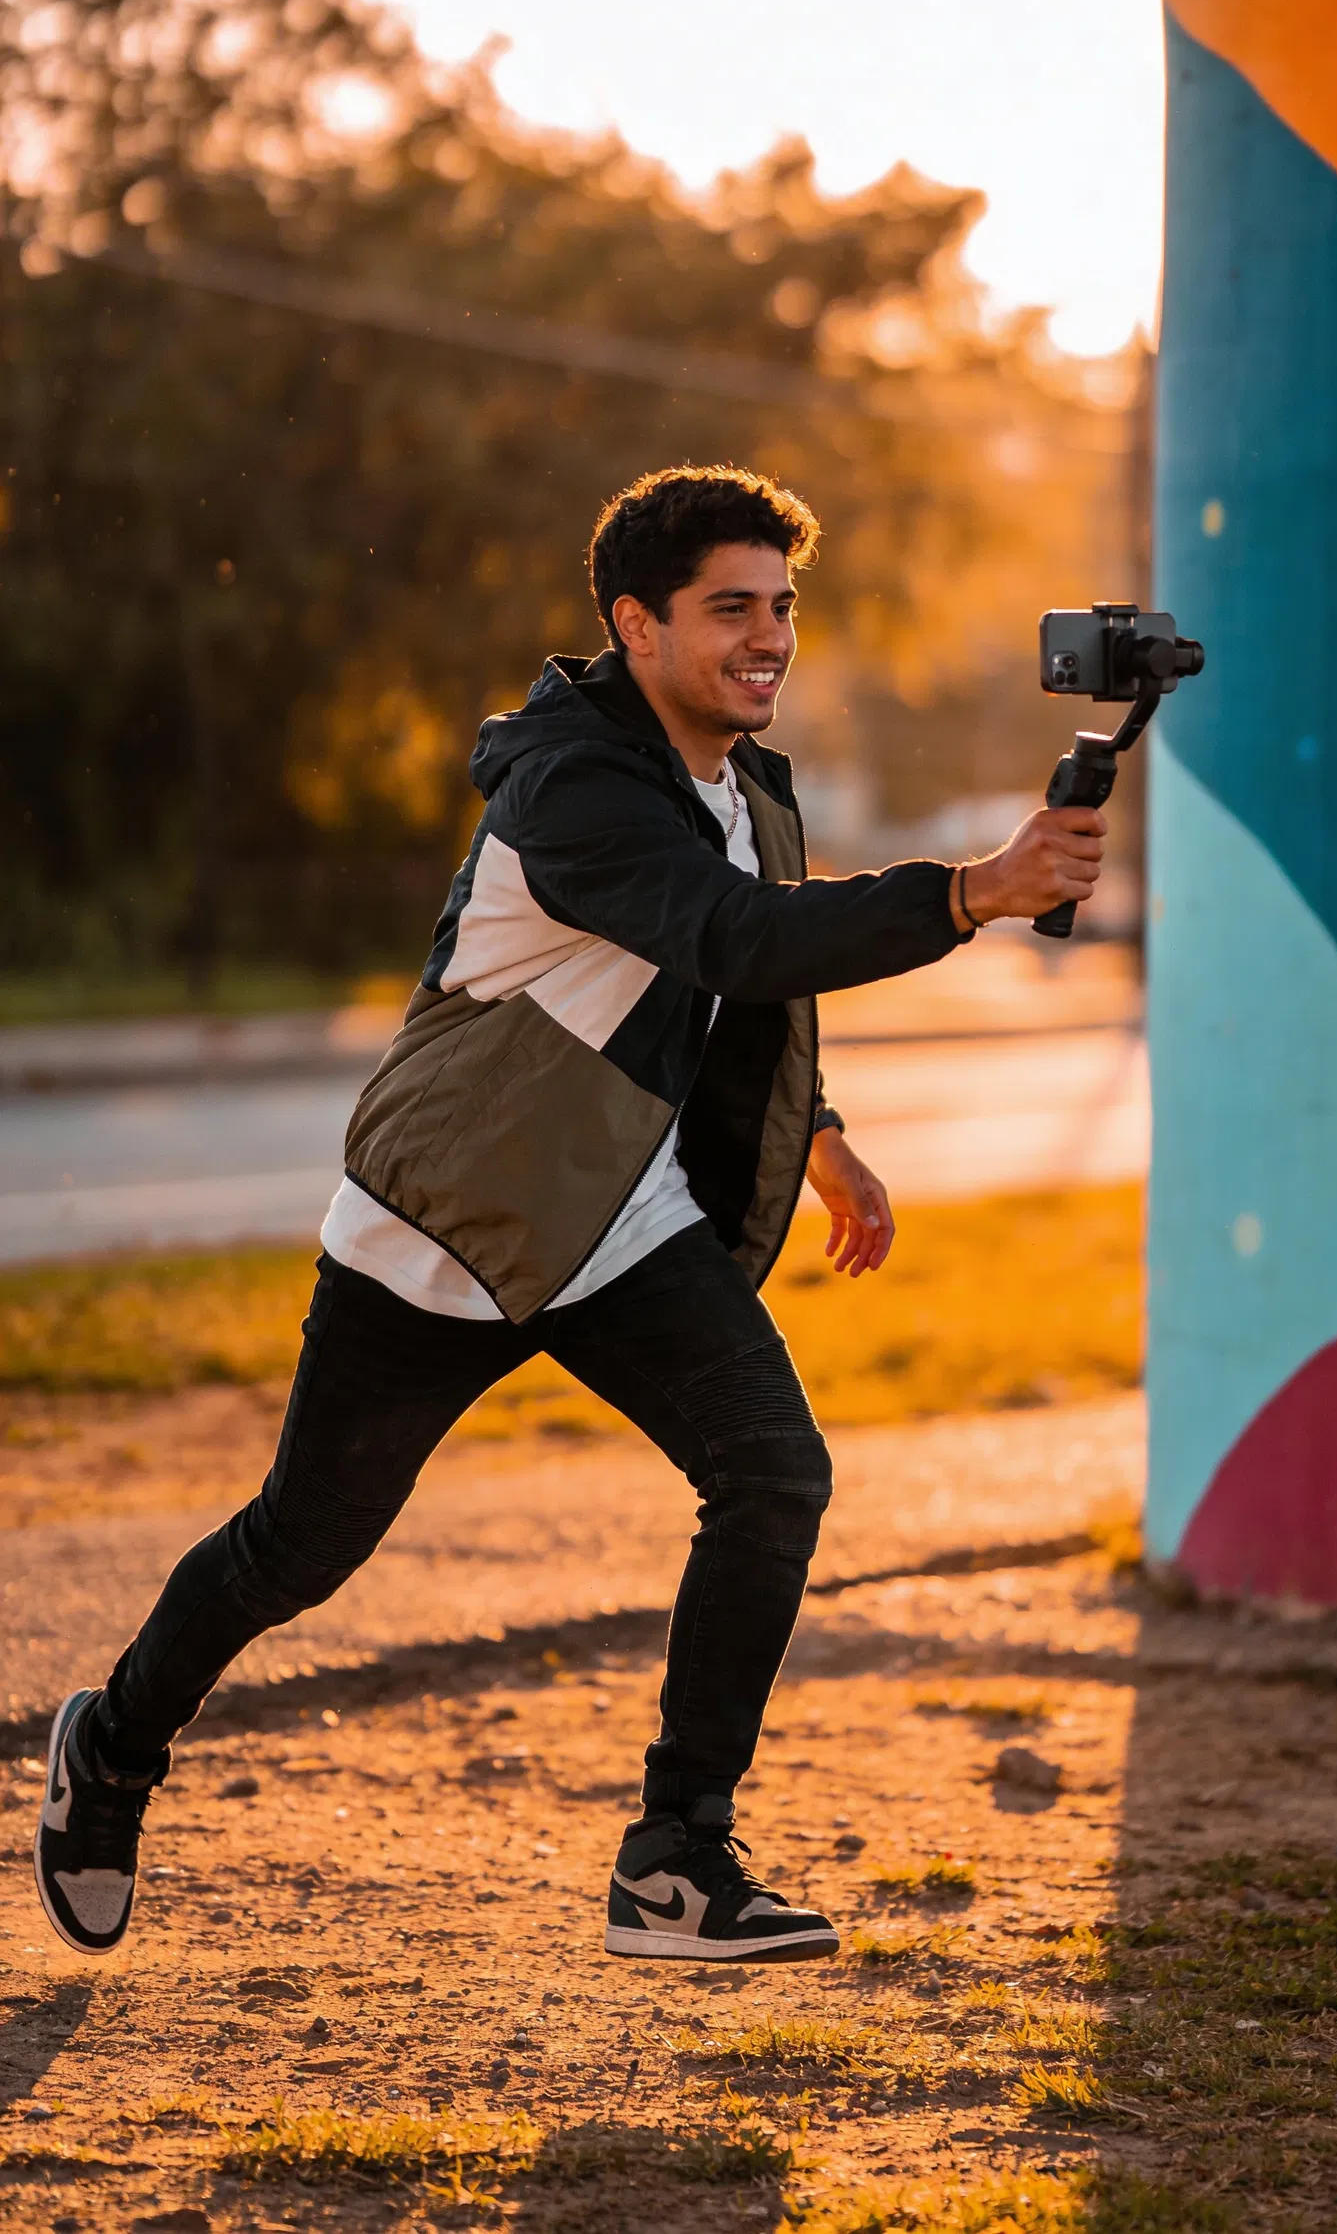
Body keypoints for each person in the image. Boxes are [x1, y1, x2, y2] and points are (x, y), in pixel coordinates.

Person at [36, 465, 1106, 1965]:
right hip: (453, 1225)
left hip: (618, 1218)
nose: (769, 639)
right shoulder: (574, 790)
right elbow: (727, 929)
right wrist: (972, 892)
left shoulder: (752, 785)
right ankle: (117, 1740)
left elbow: (743, 984)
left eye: (783, 608)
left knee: (773, 1477)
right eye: (731, 609)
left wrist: (823, 1135)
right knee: (299, 1546)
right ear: (638, 624)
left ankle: (676, 1861)